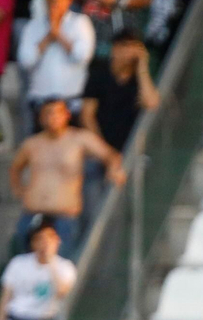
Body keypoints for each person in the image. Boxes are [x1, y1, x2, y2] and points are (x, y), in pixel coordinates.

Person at [10, 98, 124, 251]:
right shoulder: (32, 143)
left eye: (58, 112)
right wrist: (18, 189)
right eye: (48, 113)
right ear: (41, 118)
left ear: (67, 115)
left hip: (64, 217)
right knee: (25, 265)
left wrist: (113, 169)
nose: (53, 117)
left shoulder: (80, 138)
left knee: (63, 267)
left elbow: (111, 155)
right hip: (32, 214)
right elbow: (15, 167)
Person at [79, 26, 156, 232]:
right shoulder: (99, 73)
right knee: (93, 212)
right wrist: (106, 153)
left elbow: (151, 103)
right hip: (98, 150)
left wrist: (142, 68)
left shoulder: (139, 79)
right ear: (114, 49)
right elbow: (87, 116)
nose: (128, 52)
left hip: (129, 152)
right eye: (123, 46)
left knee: (127, 214)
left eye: (133, 47)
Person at [17, 0, 93, 133]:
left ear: (69, 0)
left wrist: (59, 35)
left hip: (71, 102)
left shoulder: (80, 22)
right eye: (51, 0)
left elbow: (82, 56)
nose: (55, 4)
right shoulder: (33, 26)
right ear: (45, 0)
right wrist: (47, 38)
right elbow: (25, 61)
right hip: (40, 102)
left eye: (59, 0)